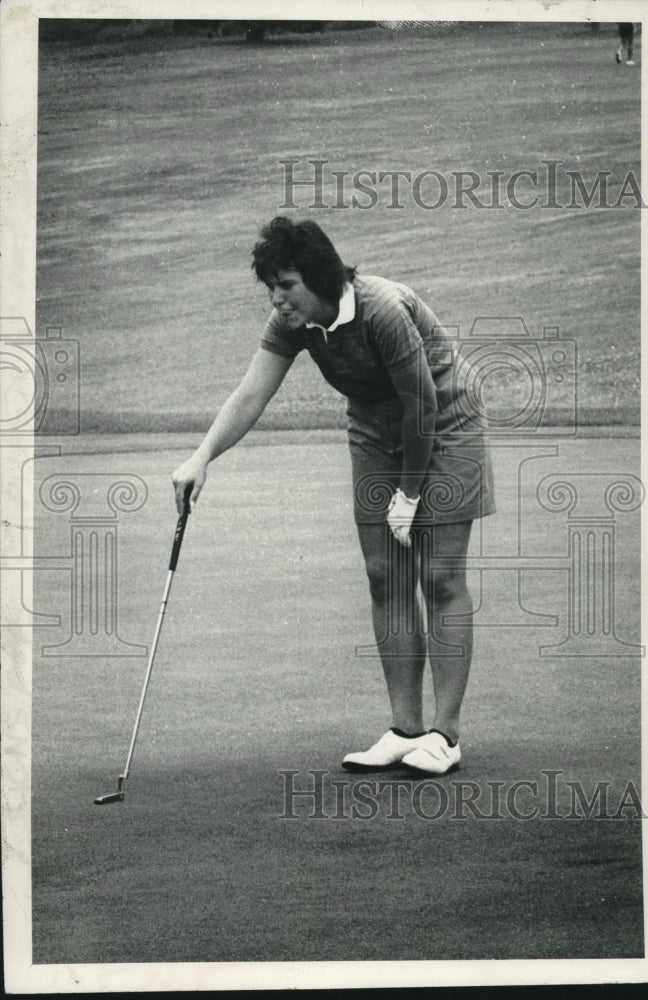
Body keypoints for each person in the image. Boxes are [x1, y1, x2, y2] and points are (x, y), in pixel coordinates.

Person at [171, 217, 495, 776]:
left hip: (445, 422)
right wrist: (202, 456)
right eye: (271, 286)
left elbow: (421, 405)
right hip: (373, 426)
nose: (277, 299)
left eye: (287, 284)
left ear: (319, 278)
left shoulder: (383, 309)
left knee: (439, 576)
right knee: (384, 574)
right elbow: (252, 393)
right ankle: (404, 729)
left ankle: (445, 735)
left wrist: (409, 495)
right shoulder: (294, 323)